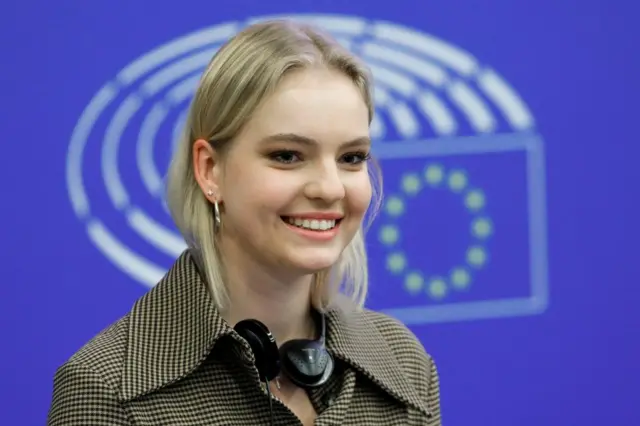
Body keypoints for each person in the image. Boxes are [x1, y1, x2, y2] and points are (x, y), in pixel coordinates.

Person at [47, 19, 442, 425]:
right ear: (210, 170)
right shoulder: (105, 388)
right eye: (287, 155)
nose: (330, 188)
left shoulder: (404, 362)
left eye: (351, 158)